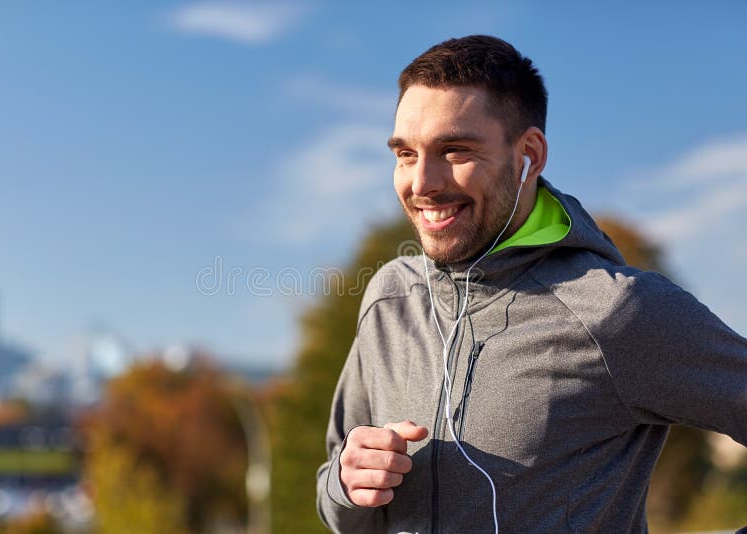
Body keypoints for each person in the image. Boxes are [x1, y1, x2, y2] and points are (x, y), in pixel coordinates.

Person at [315, 35, 747, 533]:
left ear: (530, 154)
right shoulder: (389, 297)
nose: (421, 183)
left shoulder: (617, 311)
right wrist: (347, 485)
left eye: (454, 150)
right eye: (405, 154)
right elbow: (339, 503)